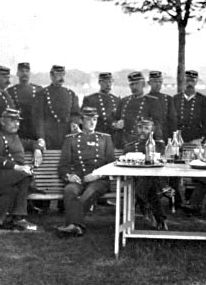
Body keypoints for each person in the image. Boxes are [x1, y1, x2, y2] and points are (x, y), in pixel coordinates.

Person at [0, 108, 43, 234]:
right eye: (12, 120)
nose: (16, 124)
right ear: (2, 121)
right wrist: (17, 167)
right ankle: (18, 219)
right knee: (25, 175)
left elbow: (31, 143)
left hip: (12, 180)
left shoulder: (16, 138)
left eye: (18, 121)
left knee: (12, 190)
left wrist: (37, 149)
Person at [56, 107, 115, 236]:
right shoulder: (71, 139)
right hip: (79, 179)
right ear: (81, 121)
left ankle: (73, 225)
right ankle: (76, 227)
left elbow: (111, 164)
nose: (92, 123)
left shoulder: (105, 138)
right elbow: (63, 165)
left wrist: (97, 175)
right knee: (69, 190)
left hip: (99, 180)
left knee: (90, 192)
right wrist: (69, 176)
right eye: (89, 120)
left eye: (95, 119)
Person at [123, 118, 169, 230]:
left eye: (146, 128)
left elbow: (164, 162)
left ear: (152, 130)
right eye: (140, 127)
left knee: (148, 182)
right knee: (149, 185)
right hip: (136, 179)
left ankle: (146, 209)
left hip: (157, 178)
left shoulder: (159, 145)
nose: (143, 130)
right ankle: (160, 218)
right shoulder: (130, 147)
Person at [32, 65, 81, 150]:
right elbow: (39, 119)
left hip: (67, 137)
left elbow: (75, 114)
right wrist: (41, 138)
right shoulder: (42, 94)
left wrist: (74, 123)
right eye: (58, 75)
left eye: (63, 74)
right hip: (49, 139)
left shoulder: (70, 94)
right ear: (51, 76)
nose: (61, 77)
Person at [114, 72, 164, 149]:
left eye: (137, 84)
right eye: (132, 84)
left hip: (143, 143)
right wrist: (116, 125)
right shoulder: (124, 101)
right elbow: (114, 120)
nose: (134, 87)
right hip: (123, 143)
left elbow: (157, 125)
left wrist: (158, 144)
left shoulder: (152, 101)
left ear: (143, 84)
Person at [173, 70, 206, 143]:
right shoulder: (176, 98)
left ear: (196, 82)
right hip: (178, 138)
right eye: (188, 80)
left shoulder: (202, 99)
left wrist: (202, 138)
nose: (190, 83)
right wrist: (174, 138)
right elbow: (171, 121)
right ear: (184, 81)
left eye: (192, 81)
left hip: (196, 138)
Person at [7, 63, 43, 141]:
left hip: (35, 131)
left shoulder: (39, 90)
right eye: (22, 71)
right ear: (17, 73)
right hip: (17, 130)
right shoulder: (10, 91)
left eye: (27, 71)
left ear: (30, 73)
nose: (24, 73)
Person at [81, 72, 120, 137]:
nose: (108, 85)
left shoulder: (117, 100)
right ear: (99, 82)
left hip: (113, 137)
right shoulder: (90, 99)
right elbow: (83, 120)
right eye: (105, 82)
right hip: (96, 136)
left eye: (110, 82)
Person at [147, 71, 177, 144]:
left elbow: (173, 121)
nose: (158, 84)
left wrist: (173, 139)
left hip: (165, 138)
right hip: (149, 138)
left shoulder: (168, 99)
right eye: (155, 82)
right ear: (149, 83)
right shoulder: (144, 99)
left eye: (160, 82)